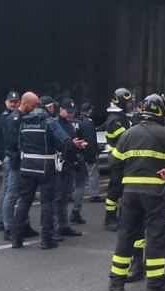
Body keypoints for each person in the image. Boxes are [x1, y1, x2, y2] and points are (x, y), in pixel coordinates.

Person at [108, 95, 165, 291]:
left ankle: (116, 281)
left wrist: (126, 179)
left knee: (126, 235)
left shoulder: (128, 134)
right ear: (163, 113)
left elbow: (113, 162)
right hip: (155, 192)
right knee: (154, 235)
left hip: (130, 192)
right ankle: (155, 283)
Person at [11, 92, 85, 249]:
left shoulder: (23, 122)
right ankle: (46, 239)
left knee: (24, 202)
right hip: (45, 166)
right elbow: (64, 141)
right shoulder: (49, 122)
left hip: (26, 166)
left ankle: (16, 238)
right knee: (47, 203)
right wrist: (73, 144)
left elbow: (18, 144)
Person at [0, 91, 34, 240]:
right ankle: (9, 228)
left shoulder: (22, 117)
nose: (13, 104)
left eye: (15, 101)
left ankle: (23, 224)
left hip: (22, 160)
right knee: (11, 194)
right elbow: (11, 143)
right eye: (10, 101)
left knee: (23, 195)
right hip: (14, 160)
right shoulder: (11, 119)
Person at [101, 87, 135, 231]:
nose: (130, 104)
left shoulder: (121, 117)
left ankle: (121, 217)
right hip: (117, 160)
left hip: (122, 159)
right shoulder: (115, 120)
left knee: (122, 189)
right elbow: (126, 138)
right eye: (128, 102)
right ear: (121, 102)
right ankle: (110, 219)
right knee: (115, 190)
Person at [50, 100, 85, 240]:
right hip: (59, 164)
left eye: (72, 112)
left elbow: (71, 142)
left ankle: (63, 225)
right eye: (68, 111)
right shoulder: (54, 124)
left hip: (69, 163)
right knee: (57, 197)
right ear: (61, 110)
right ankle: (54, 227)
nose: (71, 114)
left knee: (65, 197)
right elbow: (58, 143)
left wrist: (78, 149)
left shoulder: (69, 124)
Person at [73, 102, 99, 222]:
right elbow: (90, 142)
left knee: (74, 181)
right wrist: (92, 158)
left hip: (72, 156)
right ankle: (76, 210)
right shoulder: (88, 123)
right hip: (83, 155)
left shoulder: (74, 121)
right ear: (89, 111)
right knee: (83, 182)